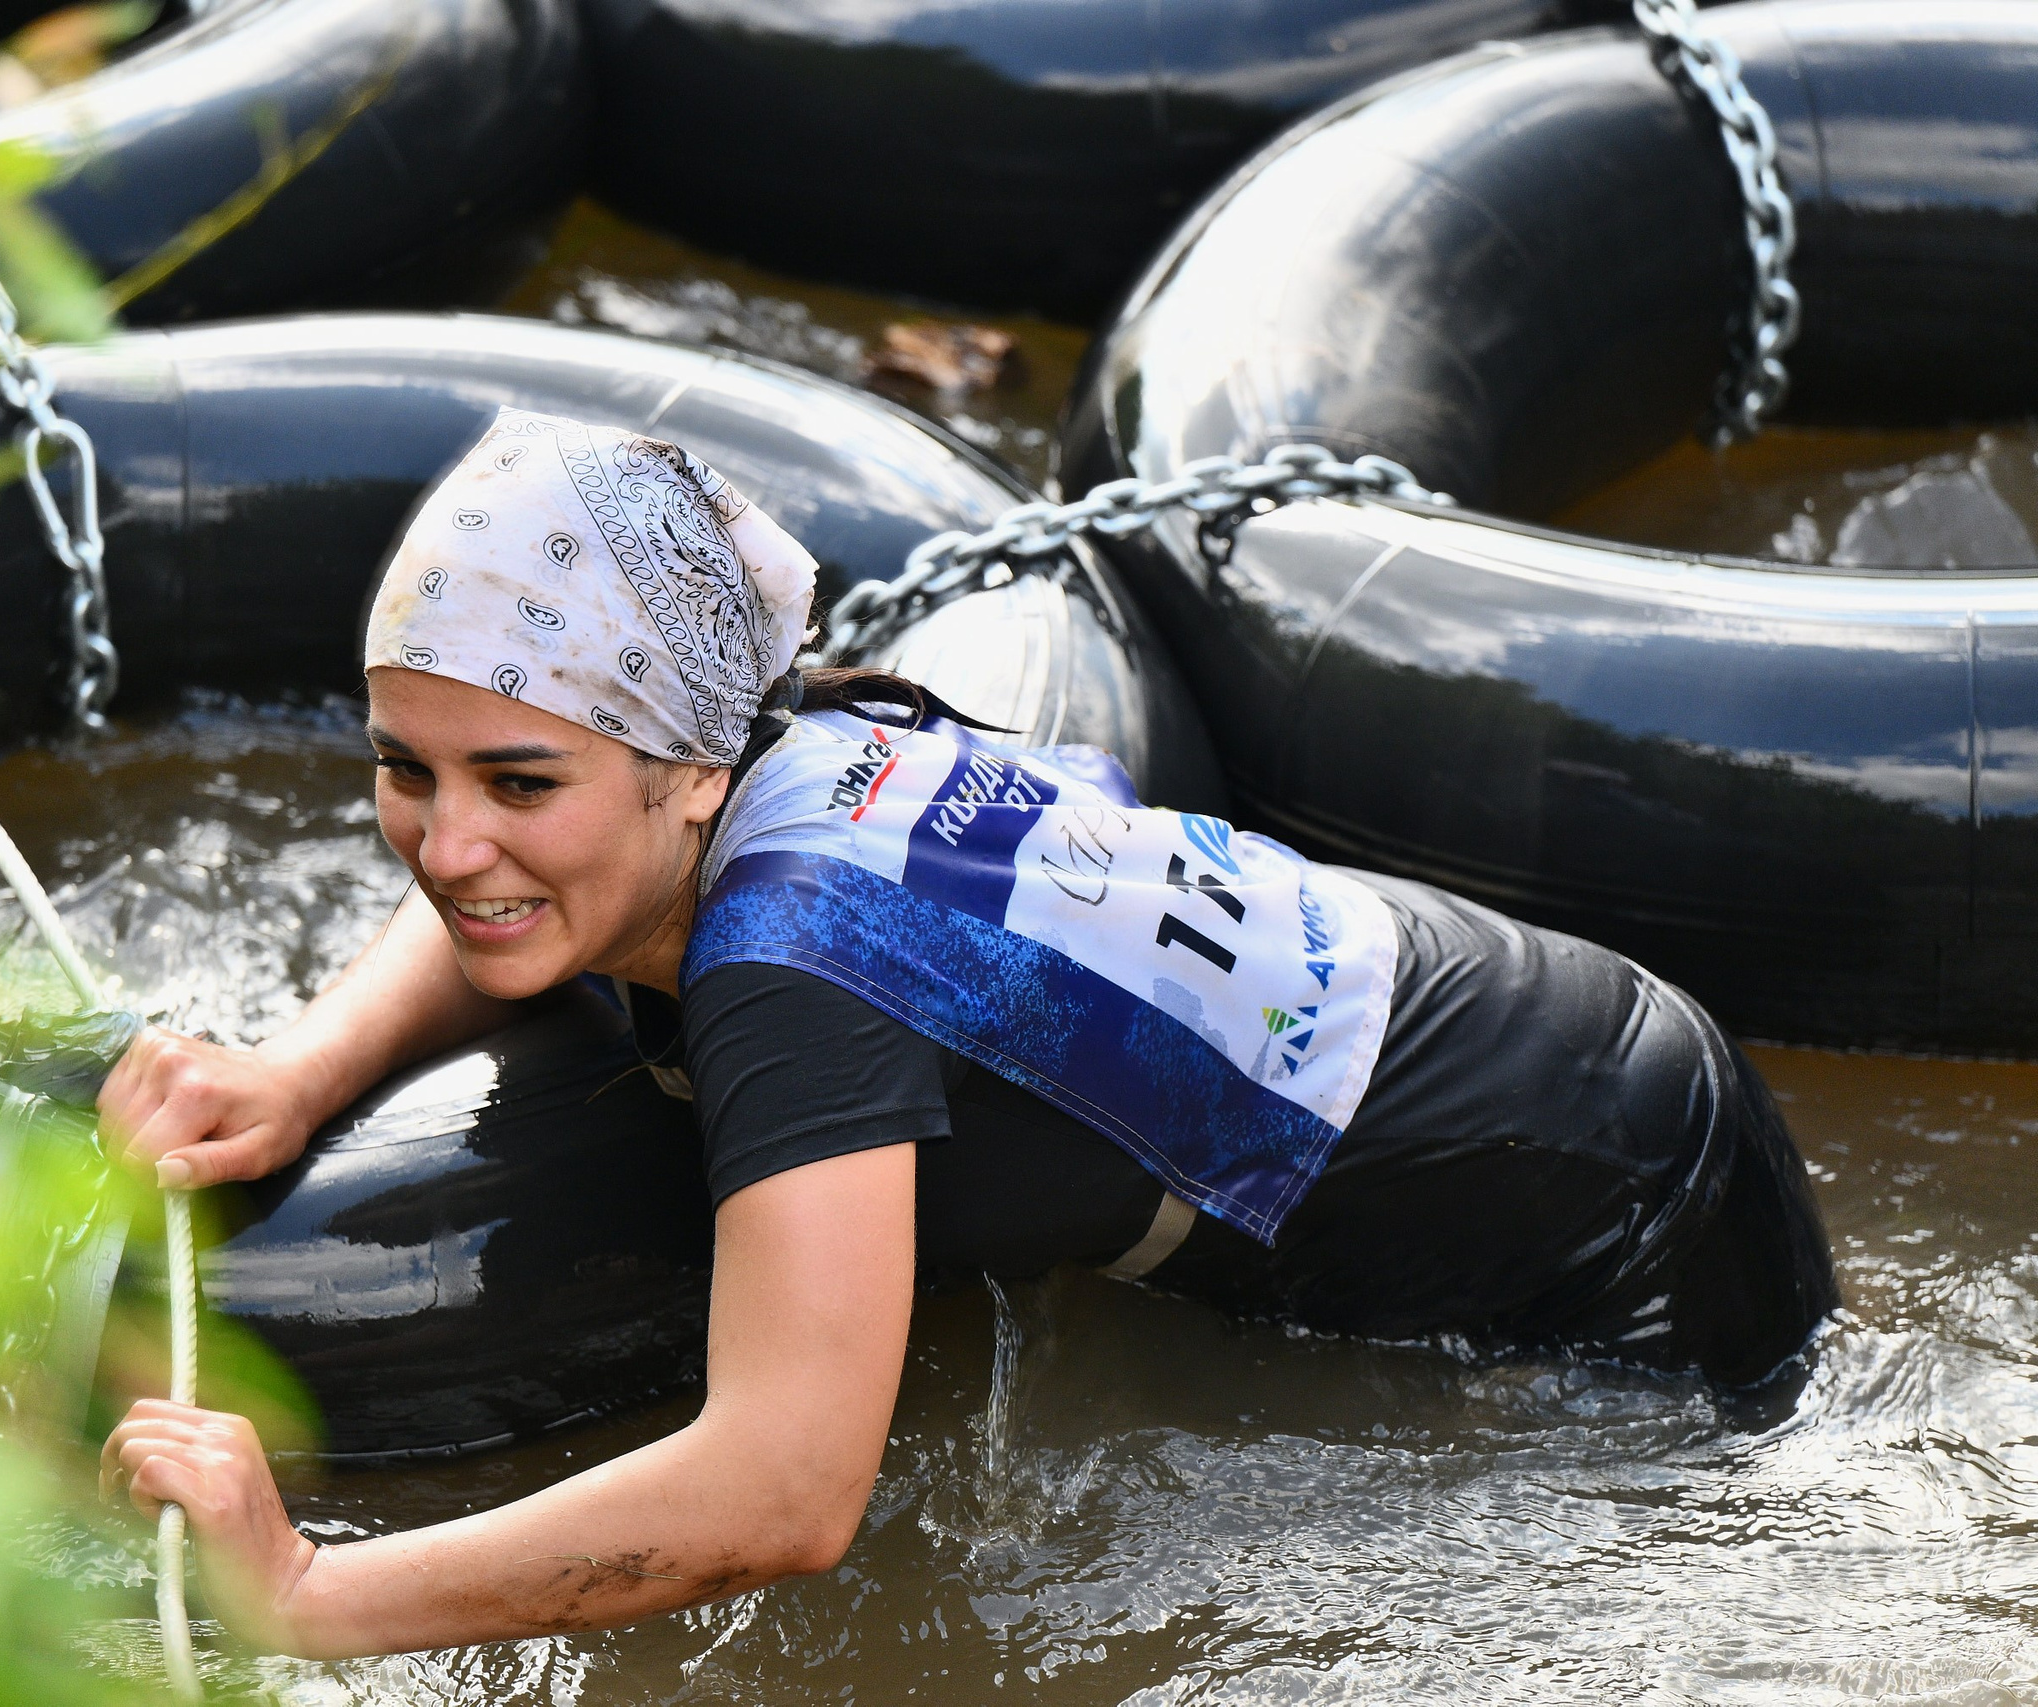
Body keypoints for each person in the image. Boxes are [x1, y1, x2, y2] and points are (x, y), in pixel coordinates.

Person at [95, 407, 1838, 1659]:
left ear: (691, 768)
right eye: (406, 769)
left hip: (1621, 1215)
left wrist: (315, 1596)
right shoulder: (767, 741)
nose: (446, 838)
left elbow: (786, 1490)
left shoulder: (797, 962)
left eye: (518, 780)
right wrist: (306, 1066)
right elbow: (502, 890)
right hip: (1570, 1040)